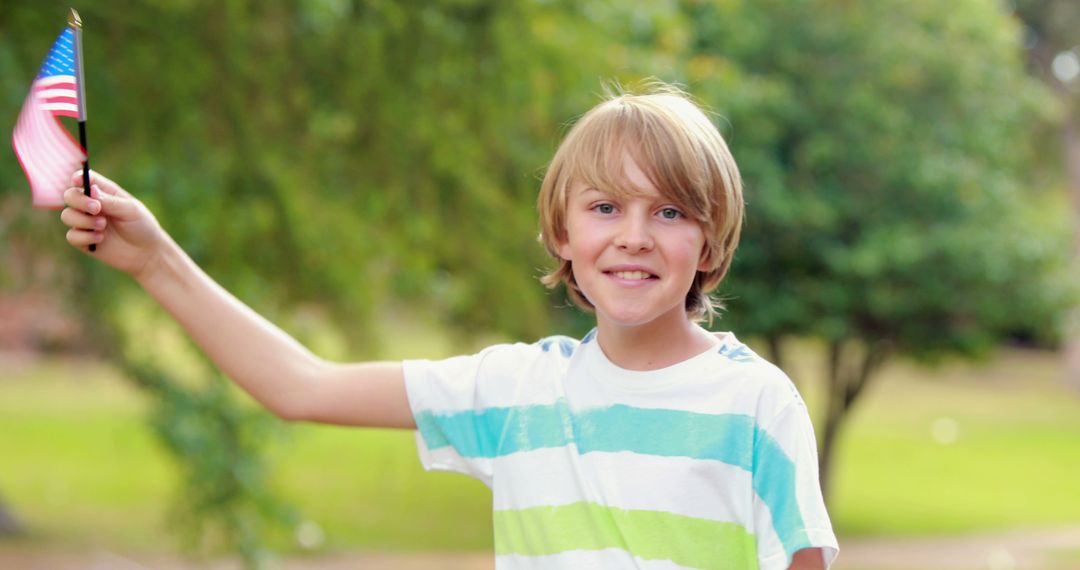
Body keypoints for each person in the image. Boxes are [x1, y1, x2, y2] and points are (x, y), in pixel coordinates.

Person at [60, 83, 839, 569]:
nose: (634, 235)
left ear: (709, 240)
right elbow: (301, 386)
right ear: (562, 234)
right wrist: (156, 262)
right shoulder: (515, 390)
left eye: (668, 212)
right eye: (605, 207)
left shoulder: (756, 407)